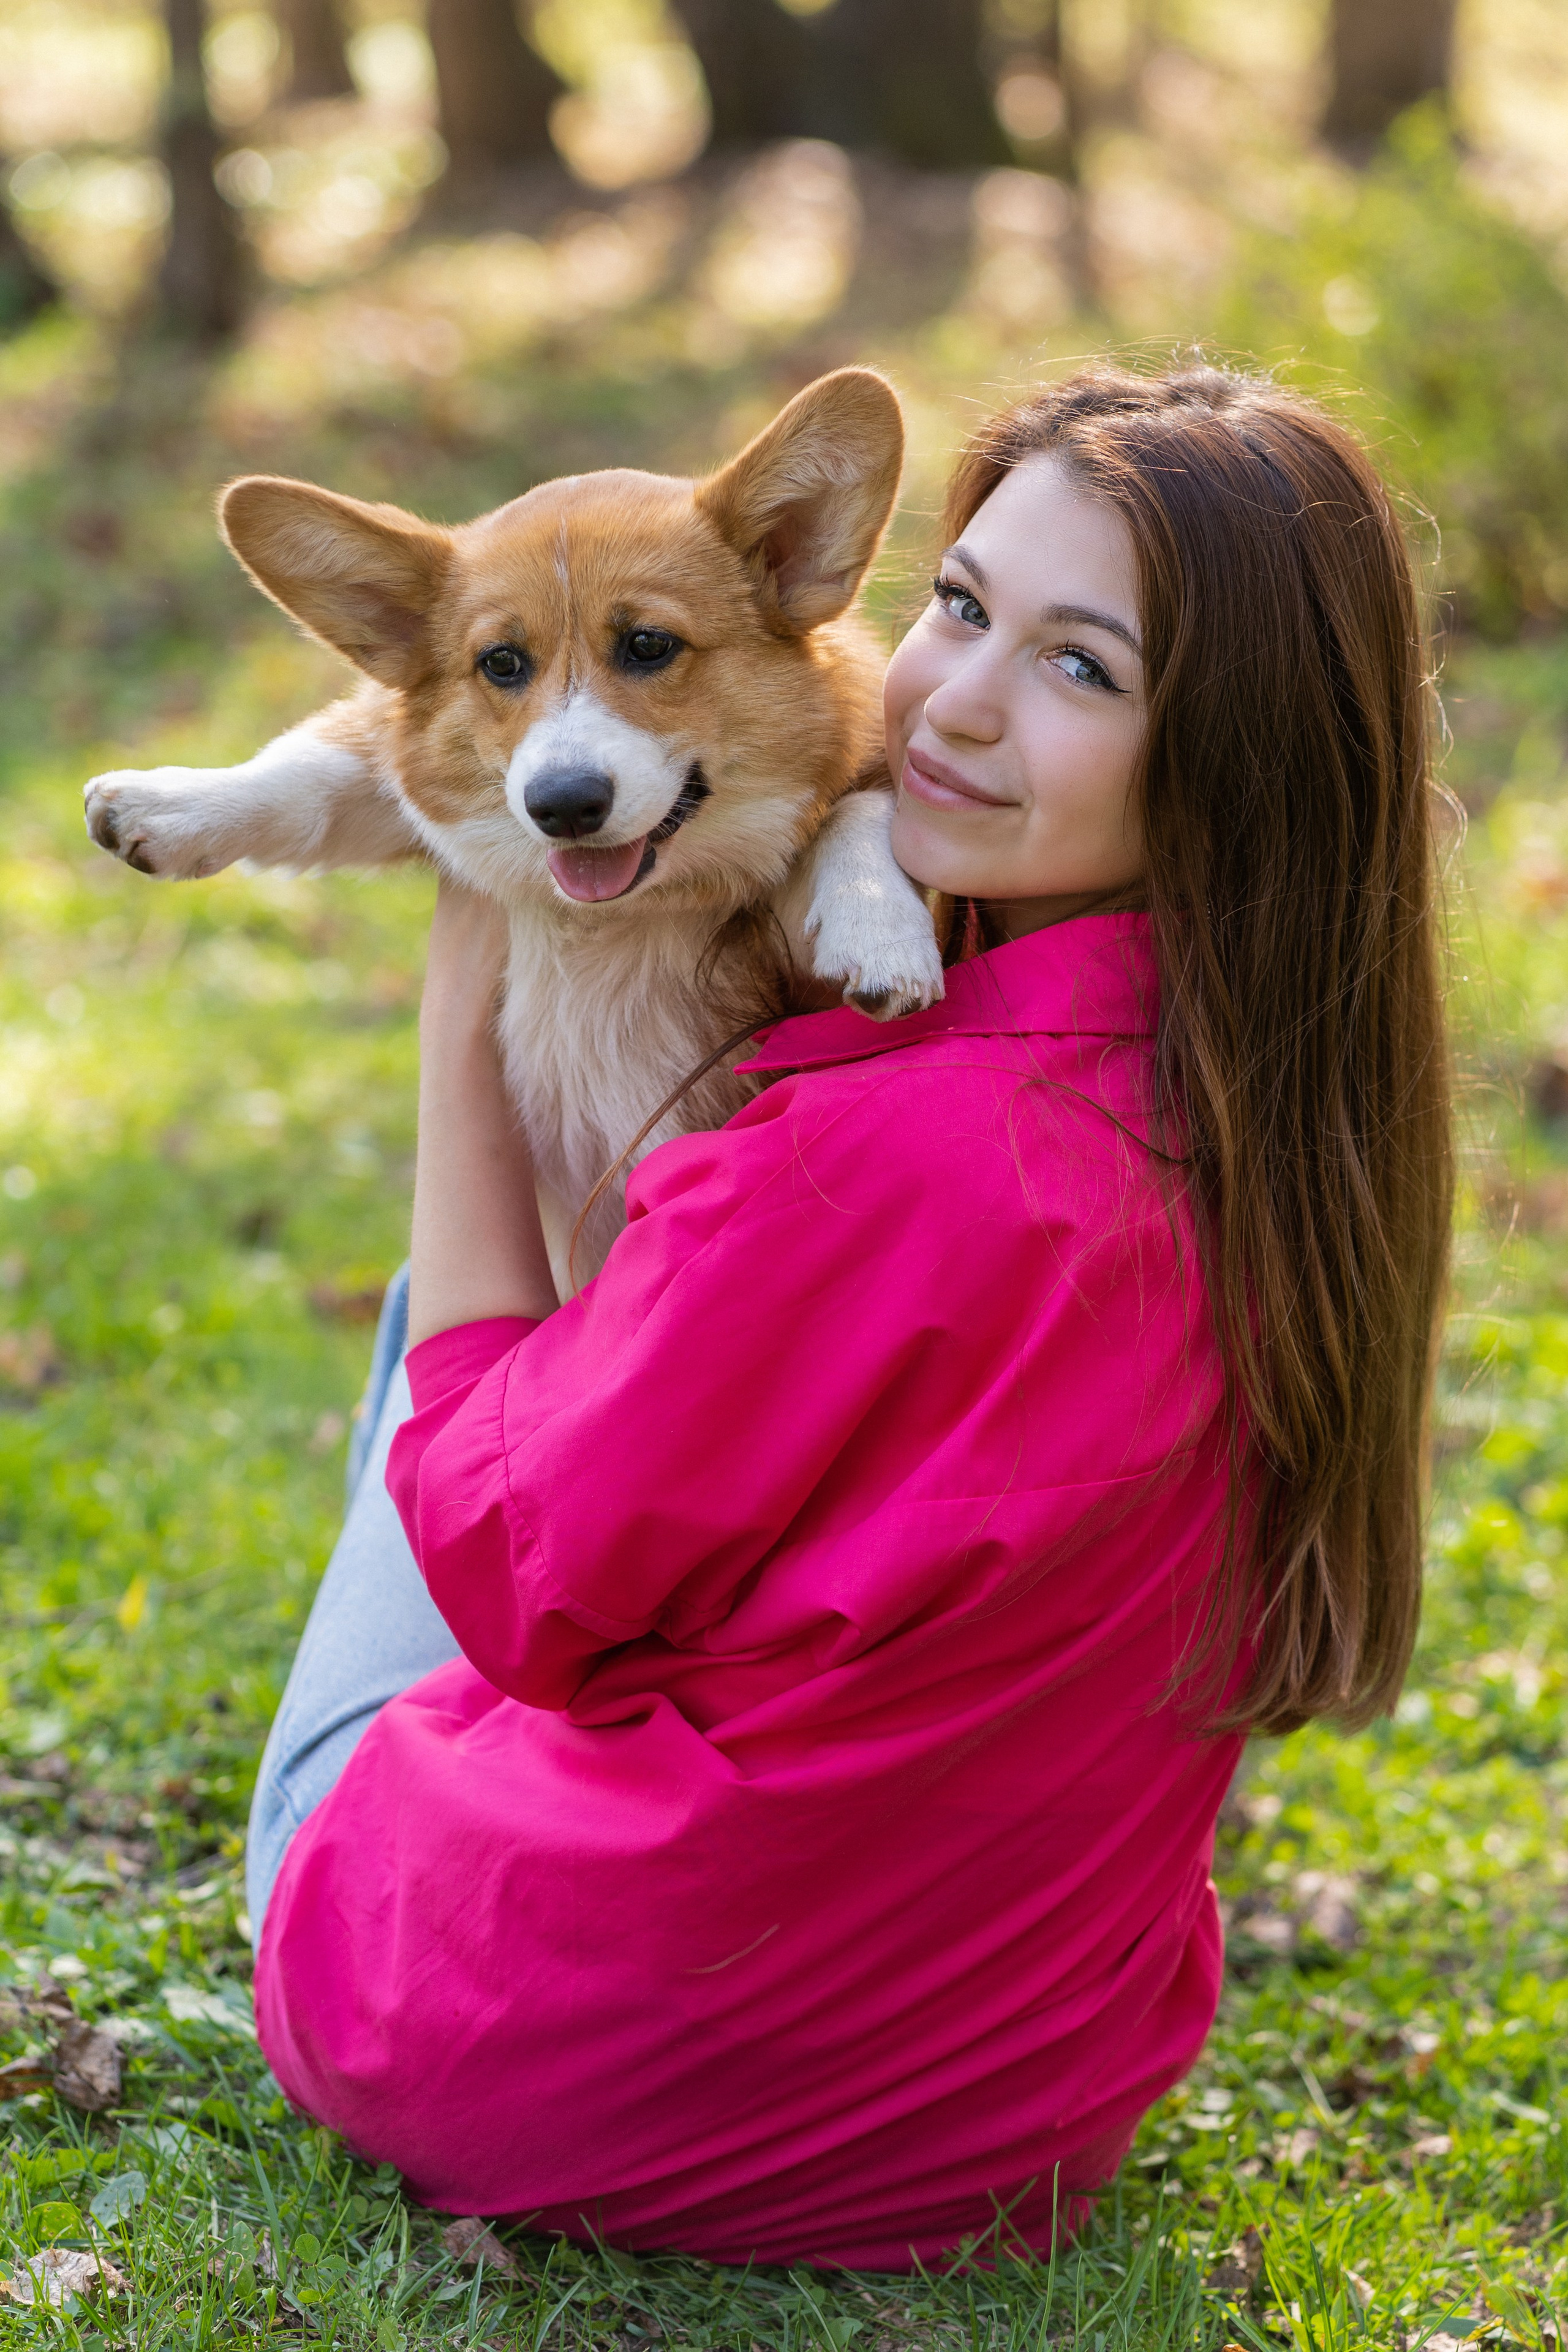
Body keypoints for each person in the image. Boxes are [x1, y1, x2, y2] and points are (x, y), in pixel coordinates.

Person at [246, 364, 1452, 2270]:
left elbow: (510, 1576)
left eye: (1082, 668)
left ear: (1226, 753)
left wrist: (472, 968)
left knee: (444, 1324)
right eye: (961, 607)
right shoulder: (1289, 1134)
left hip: (532, 2058)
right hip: (1015, 2116)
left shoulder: (855, 1161)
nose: (953, 699)